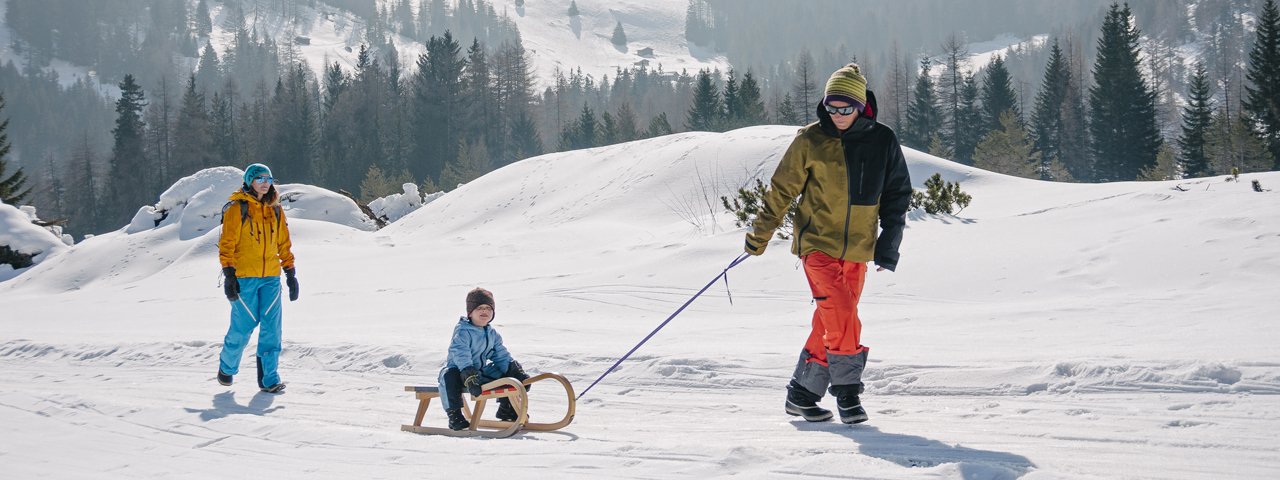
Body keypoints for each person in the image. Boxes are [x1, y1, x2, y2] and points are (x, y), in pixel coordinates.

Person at [743, 63, 912, 424]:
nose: (837, 115)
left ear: (861, 105)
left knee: (830, 320)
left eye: (845, 108)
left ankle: (802, 394)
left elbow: (898, 195)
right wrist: (760, 235)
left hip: (858, 249)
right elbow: (782, 190)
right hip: (816, 245)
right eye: (831, 107)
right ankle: (848, 394)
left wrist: (888, 244)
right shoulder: (810, 140)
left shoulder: (882, 140)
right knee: (842, 315)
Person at [215, 163, 299, 394]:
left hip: (271, 277)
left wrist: (290, 273)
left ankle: (269, 379)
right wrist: (229, 275)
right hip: (245, 278)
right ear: (249, 181)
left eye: (268, 179)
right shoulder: (236, 208)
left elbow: (283, 243)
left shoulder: (276, 209)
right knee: (242, 328)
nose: (265, 183)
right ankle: (227, 368)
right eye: (259, 178)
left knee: (272, 330)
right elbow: (227, 244)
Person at [438, 288, 532, 431]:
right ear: (470, 312)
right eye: (479, 308)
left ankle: (506, 408)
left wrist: (513, 370)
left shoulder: (492, 333)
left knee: (504, 374)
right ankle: (455, 416)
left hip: (479, 372)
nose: (484, 311)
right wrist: (468, 374)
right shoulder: (463, 331)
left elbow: (500, 354)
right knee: (447, 377)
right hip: (460, 371)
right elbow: (460, 353)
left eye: (488, 308)